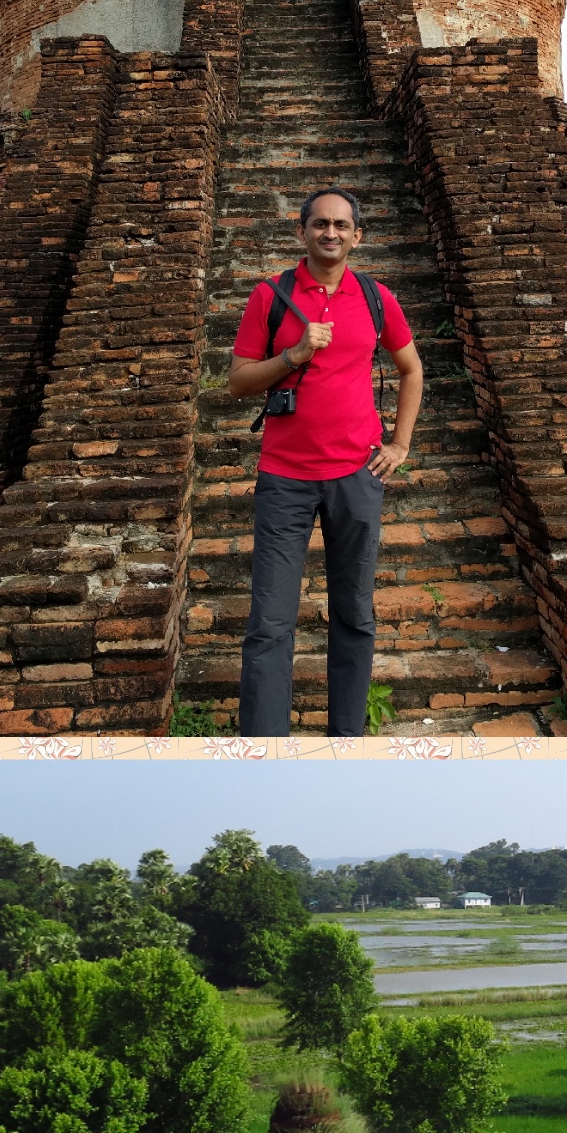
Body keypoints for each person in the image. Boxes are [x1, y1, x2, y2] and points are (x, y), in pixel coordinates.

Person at [227, 188, 423, 735]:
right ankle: (265, 743)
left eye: (341, 225)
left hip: (356, 477)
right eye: (319, 224)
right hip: (284, 477)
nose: (330, 233)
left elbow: (412, 369)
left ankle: (347, 739)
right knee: (269, 621)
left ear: (356, 235)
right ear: (302, 232)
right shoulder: (270, 296)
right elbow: (238, 381)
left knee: (354, 616)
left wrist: (400, 444)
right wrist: (292, 356)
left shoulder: (376, 297)